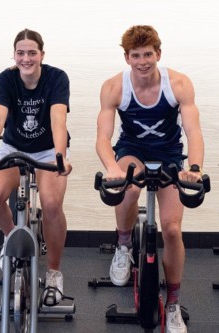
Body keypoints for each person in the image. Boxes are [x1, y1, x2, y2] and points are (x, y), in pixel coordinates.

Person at [96, 25, 204, 333]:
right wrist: (111, 167)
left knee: (171, 230)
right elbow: (103, 137)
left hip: (169, 154)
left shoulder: (179, 84)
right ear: (127, 57)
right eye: (136, 55)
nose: (143, 61)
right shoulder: (114, 87)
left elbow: (193, 131)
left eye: (148, 54)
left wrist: (194, 169)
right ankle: (123, 244)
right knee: (127, 190)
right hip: (132, 151)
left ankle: (172, 304)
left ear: (158, 53)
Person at [0, 28, 73, 306]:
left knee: (51, 204)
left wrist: (61, 156)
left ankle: (53, 273)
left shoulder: (56, 78)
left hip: (49, 149)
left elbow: (58, 120)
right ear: (14, 55)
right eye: (20, 53)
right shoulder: (5, 80)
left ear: (42, 54)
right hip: (13, 148)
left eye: (32, 52)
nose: (26, 58)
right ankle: (11, 238)